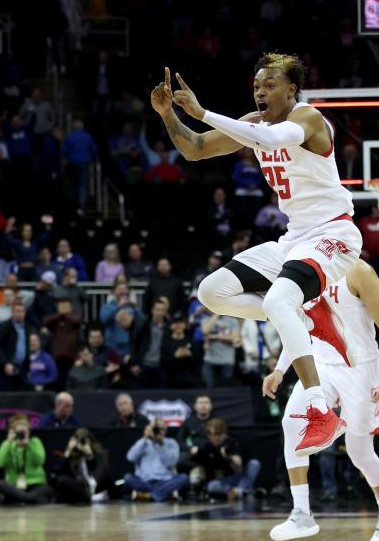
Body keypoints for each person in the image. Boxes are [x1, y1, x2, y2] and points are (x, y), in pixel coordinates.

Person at [154, 54, 361, 457]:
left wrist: (202, 111)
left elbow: (272, 140)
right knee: (211, 293)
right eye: (256, 86)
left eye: (269, 84)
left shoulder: (309, 119)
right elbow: (195, 148)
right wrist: (168, 115)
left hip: (334, 233)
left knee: (279, 298)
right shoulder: (253, 123)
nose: (260, 91)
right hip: (294, 238)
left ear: (291, 89)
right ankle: (306, 315)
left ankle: (322, 410)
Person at [262, 260, 379, 541]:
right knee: (292, 421)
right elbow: (297, 326)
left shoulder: (359, 271)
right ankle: (302, 512)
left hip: (361, 368)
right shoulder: (303, 271)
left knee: (360, 453)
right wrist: (280, 368)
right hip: (321, 366)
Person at [194, 418, 261, 500]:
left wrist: (228, 457)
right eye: (213, 434)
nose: (216, 438)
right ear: (208, 436)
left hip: (238, 476)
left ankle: (241, 490)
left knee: (254, 463)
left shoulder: (231, 442)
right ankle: (242, 492)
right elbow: (202, 468)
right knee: (212, 486)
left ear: (224, 434)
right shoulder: (205, 447)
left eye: (219, 434)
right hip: (224, 480)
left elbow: (238, 466)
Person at [0, 414, 55, 504]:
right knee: (0, 484)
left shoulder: (35, 442)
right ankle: (28, 499)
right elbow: (0, 463)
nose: (21, 435)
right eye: (19, 432)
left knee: (46, 489)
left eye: (24, 432)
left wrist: (29, 445)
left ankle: (24, 499)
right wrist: (7, 443)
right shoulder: (8, 445)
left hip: (35, 484)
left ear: (28, 432)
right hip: (15, 485)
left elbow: (40, 461)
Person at [123, 419, 188, 502]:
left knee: (183, 478)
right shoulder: (143, 442)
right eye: (156, 428)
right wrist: (145, 438)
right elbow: (130, 457)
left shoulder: (171, 443)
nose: (159, 431)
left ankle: (151, 496)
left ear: (166, 429)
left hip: (165, 481)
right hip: (144, 481)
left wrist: (161, 444)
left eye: (162, 429)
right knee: (128, 478)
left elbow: (171, 463)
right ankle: (159, 494)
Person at [55, 428, 109, 503]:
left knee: (102, 469)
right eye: (79, 440)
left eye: (83, 441)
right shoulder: (71, 455)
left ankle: (90, 491)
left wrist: (90, 456)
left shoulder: (97, 453)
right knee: (62, 480)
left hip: (94, 485)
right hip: (78, 488)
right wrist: (68, 452)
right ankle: (89, 496)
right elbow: (59, 473)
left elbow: (100, 471)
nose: (81, 443)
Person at [0, 301, 37, 390]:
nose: (20, 314)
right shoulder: (4, 326)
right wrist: (5, 363)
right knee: (7, 395)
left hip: (22, 368)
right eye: (17, 311)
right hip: (7, 367)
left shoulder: (28, 328)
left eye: (22, 311)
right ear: (12, 313)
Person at [177, 394, 215, 486]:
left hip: (211, 452)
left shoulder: (216, 421)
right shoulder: (189, 422)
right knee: (180, 460)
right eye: (200, 403)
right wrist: (189, 448)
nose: (203, 406)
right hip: (193, 452)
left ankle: (209, 487)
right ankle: (196, 471)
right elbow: (179, 441)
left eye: (206, 403)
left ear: (211, 406)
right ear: (195, 406)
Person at [201, 312, 241, 387]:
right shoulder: (206, 319)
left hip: (227, 360)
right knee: (208, 386)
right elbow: (205, 330)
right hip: (210, 359)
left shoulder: (232, 321)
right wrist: (217, 314)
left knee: (226, 388)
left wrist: (214, 336)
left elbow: (235, 337)